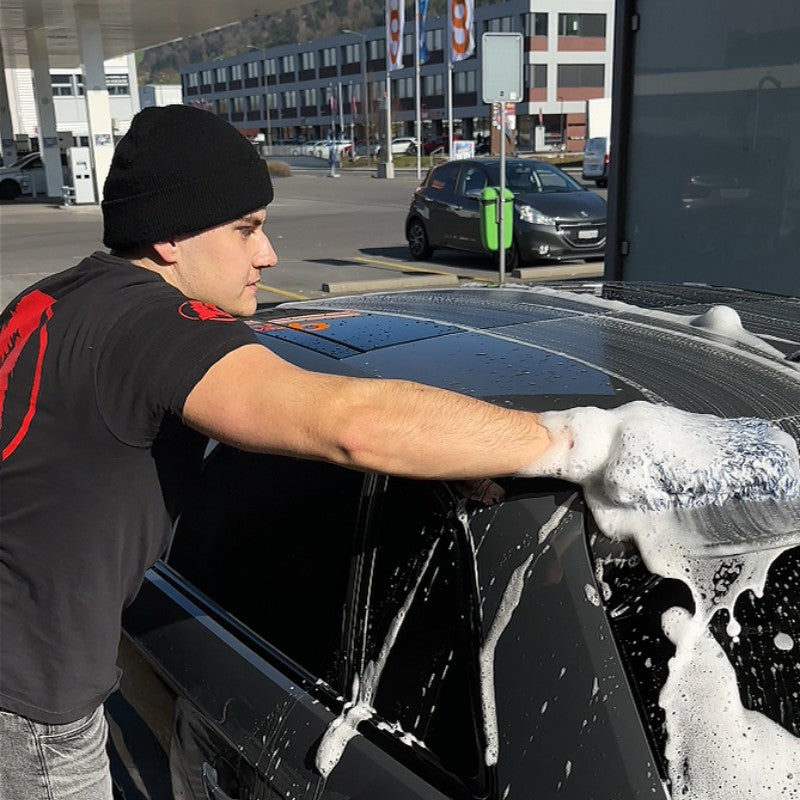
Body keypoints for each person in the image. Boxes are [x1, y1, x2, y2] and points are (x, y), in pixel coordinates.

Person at [1, 105, 797, 799]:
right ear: (170, 235)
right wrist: (581, 444)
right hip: (32, 707)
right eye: (245, 229)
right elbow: (345, 421)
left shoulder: (58, 301)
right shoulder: (150, 327)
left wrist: (460, 453)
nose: (267, 255)